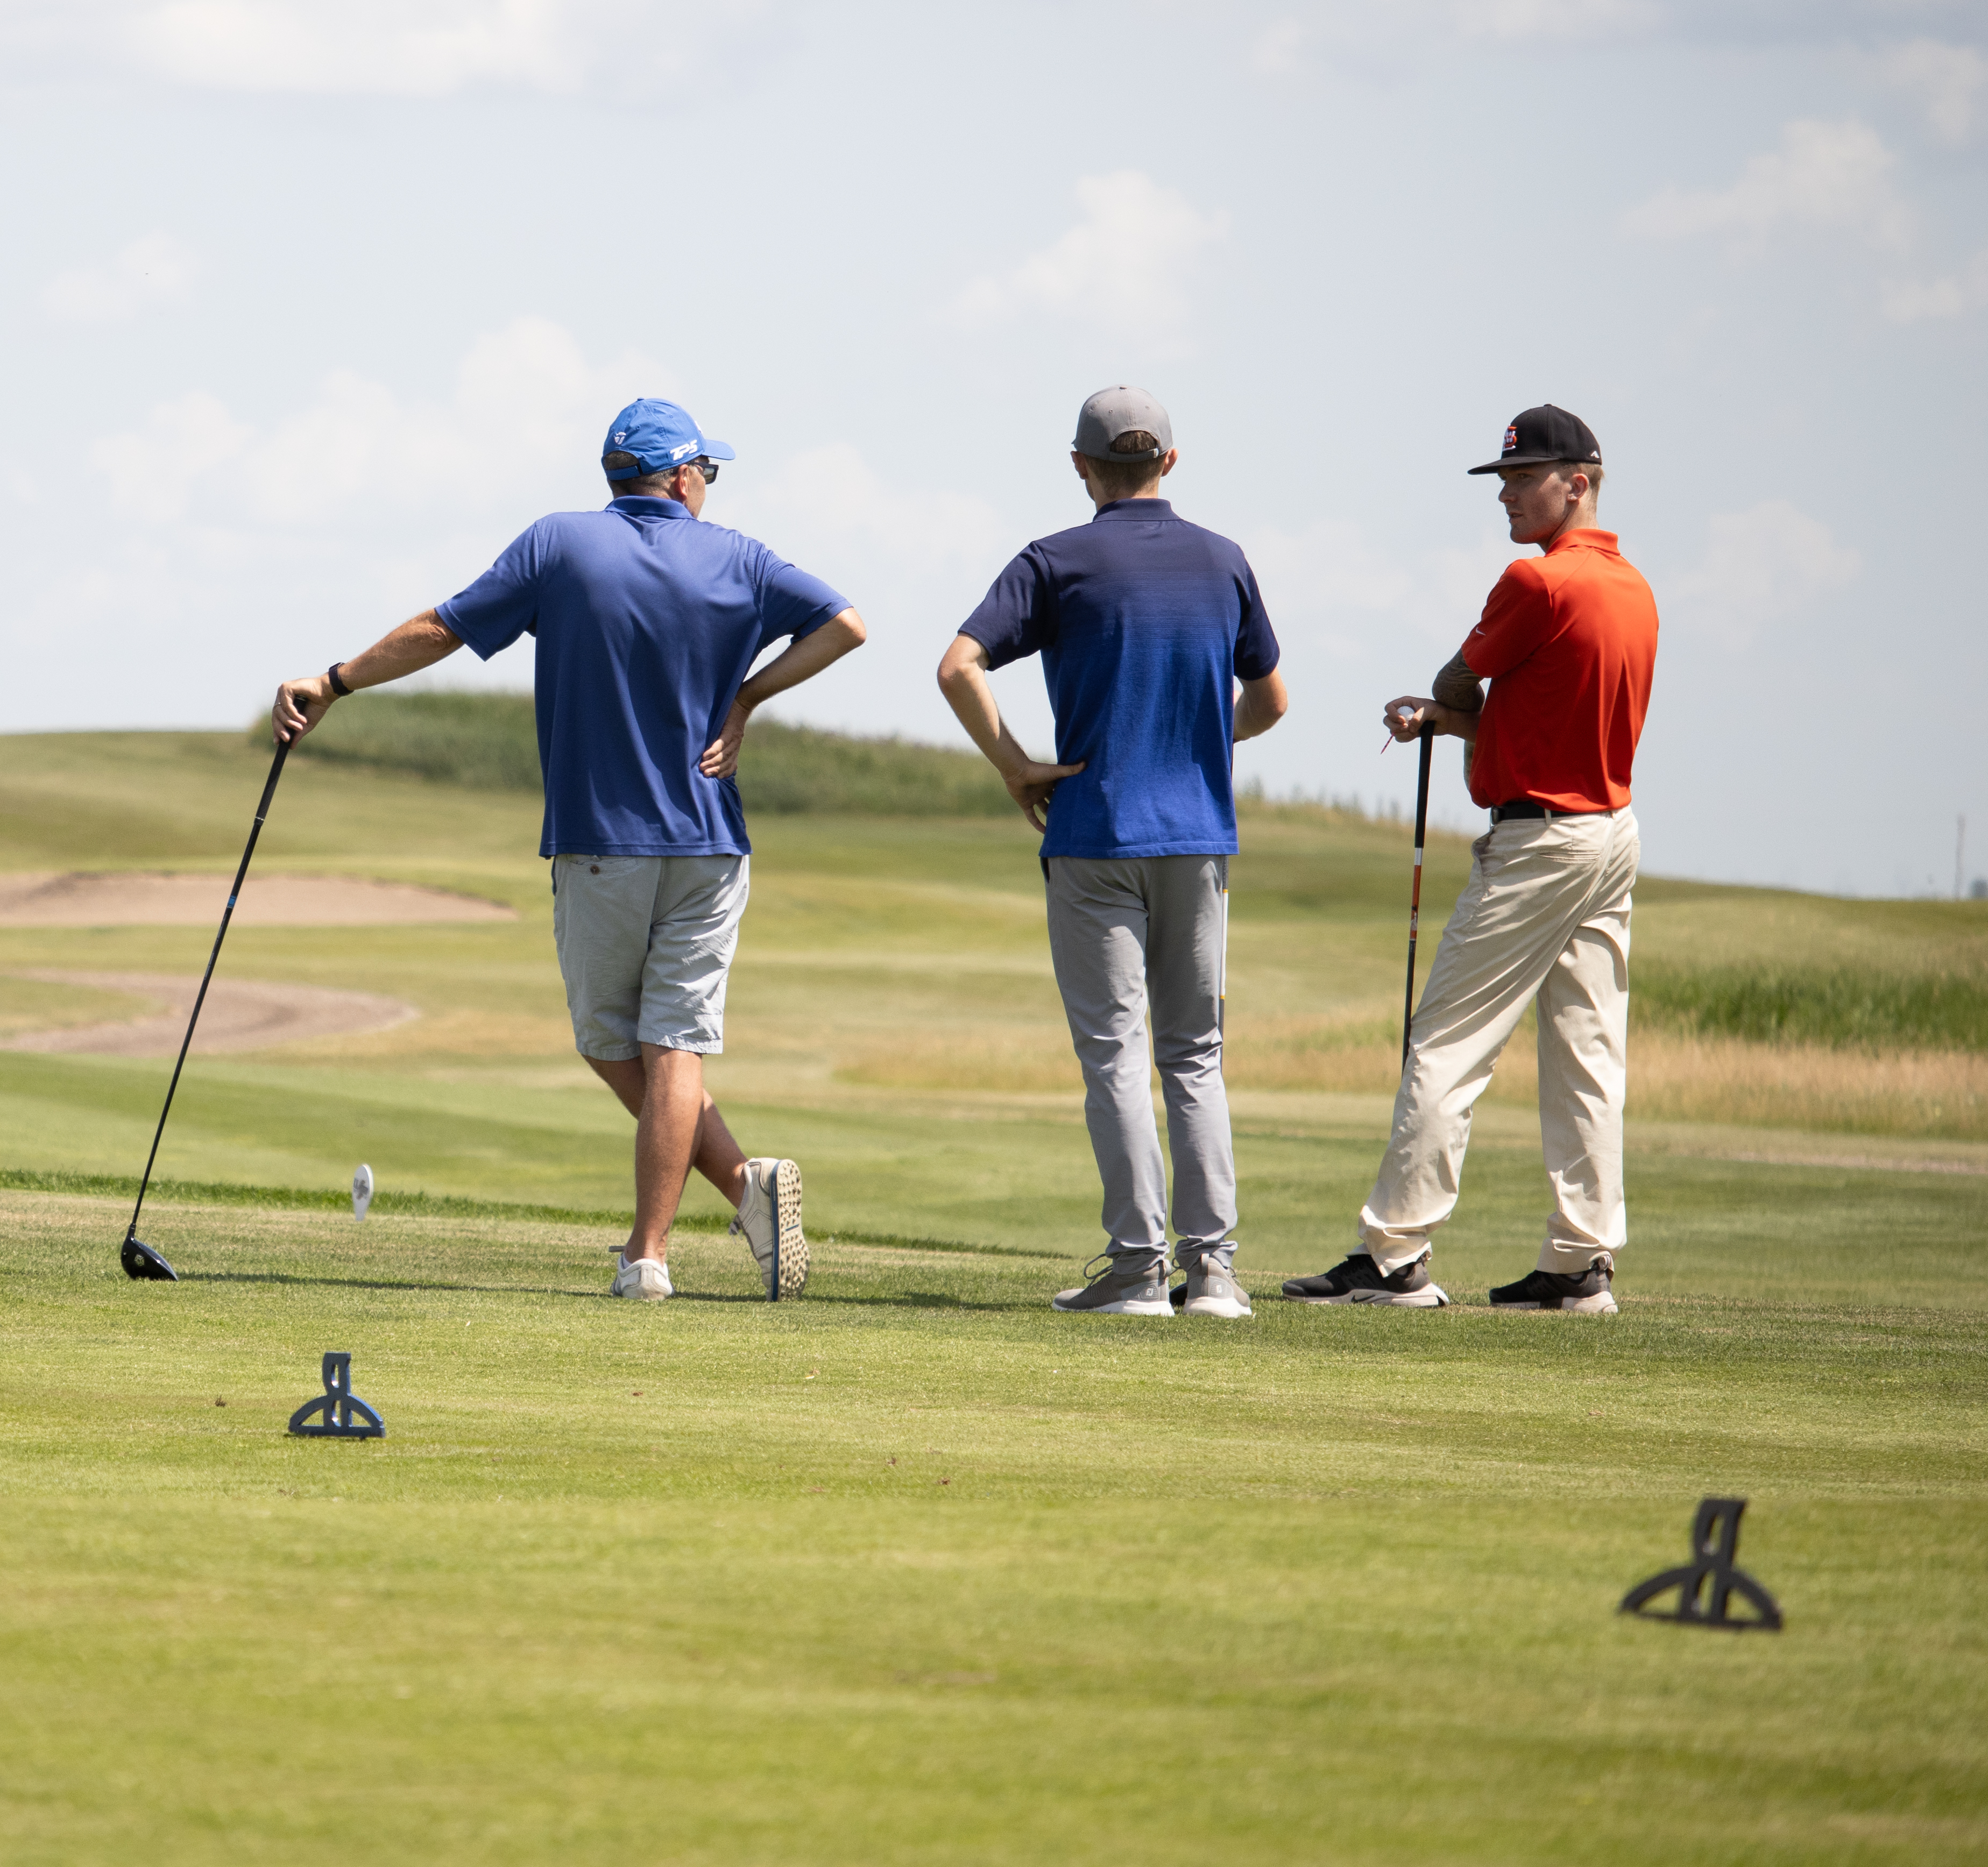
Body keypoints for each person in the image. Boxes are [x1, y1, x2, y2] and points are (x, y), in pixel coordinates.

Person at [272, 400, 866, 1302]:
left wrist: (337, 681)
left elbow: (443, 628)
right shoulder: (742, 557)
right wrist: (747, 698)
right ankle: (745, 1191)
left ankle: (650, 1256)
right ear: (678, 475)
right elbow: (847, 625)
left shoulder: (558, 544)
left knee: (620, 1043)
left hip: (601, 846)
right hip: (711, 843)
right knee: (668, 1045)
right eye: (708, 470)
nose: (710, 485)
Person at [1282, 406, 1655, 1313]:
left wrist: (1443, 703)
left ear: (1581, 480)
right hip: (1608, 833)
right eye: (1504, 483)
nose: (1510, 498)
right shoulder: (1634, 588)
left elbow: (1460, 680)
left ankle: (1394, 1255)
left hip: (1537, 843)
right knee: (1588, 1053)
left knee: (1447, 1041)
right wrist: (1457, 723)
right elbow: (1534, 719)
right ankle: (1579, 1263)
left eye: (1526, 481)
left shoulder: (1536, 583)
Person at [937, 387, 1288, 1318]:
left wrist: (1016, 767)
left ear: (1083, 467)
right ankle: (1212, 1274)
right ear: (1169, 462)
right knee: (1196, 1057)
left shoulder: (1055, 560)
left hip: (1093, 835)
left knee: (1117, 1057)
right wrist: (1200, 742)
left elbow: (957, 665)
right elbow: (1272, 701)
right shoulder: (1225, 561)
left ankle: (1137, 1273)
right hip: (1199, 837)